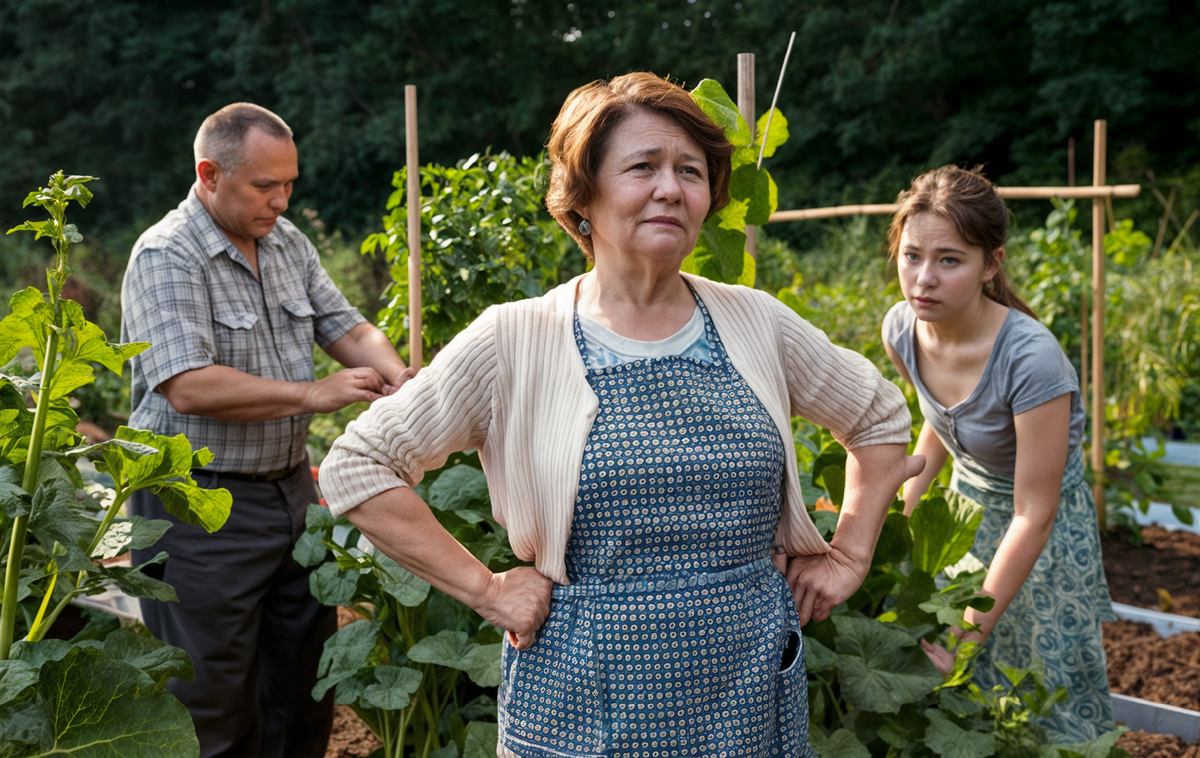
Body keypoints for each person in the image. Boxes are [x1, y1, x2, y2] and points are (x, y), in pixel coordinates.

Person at [320, 72, 921, 758]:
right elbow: (358, 465)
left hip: (745, 694)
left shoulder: (755, 322)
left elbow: (877, 416)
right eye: (644, 167)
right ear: (584, 196)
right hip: (580, 703)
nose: (672, 188)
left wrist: (849, 552)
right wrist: (485, 590)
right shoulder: (515, 339)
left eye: (691, 171)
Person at [120, 102, 415, 758]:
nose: (281, 200)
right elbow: (187, 384)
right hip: (198, 508)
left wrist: (399, 378)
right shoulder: (167, 255)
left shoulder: (288, 244)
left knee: (301, 687)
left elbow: (345, 325)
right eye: (264, 186)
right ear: (210, 174)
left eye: (290, 184)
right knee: (213, 704)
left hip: (289, 496)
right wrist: (314, 393)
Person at [882, 166, 1115, 740]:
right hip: (966, 516)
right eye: (912, 256)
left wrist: (967, 632)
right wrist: (901, 519)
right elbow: (939, 425)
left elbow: (1034, 514)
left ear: (991, 264)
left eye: (950, 260)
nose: (923, 279)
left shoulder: (1031, 359)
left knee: (1044, 692)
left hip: (1041, 534)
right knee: (966, 703)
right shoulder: (902, 329)